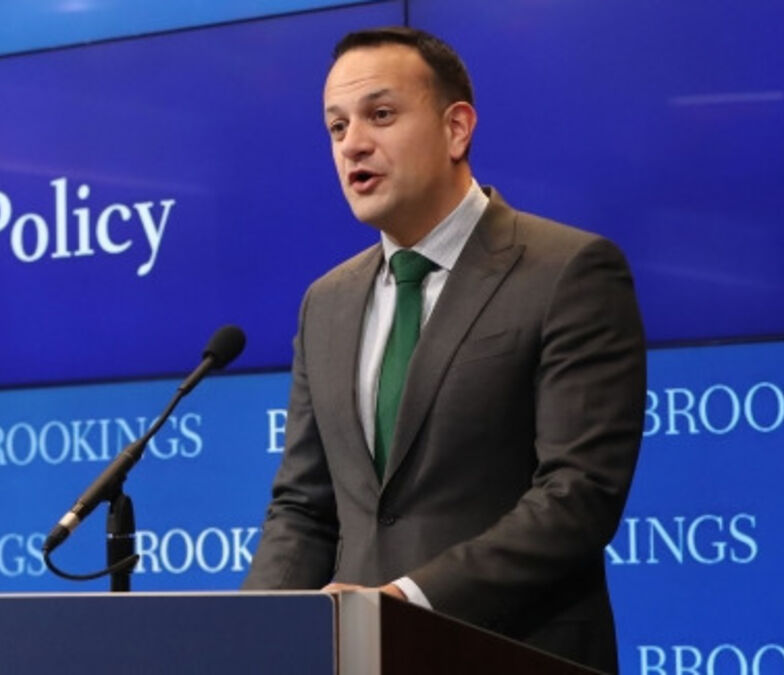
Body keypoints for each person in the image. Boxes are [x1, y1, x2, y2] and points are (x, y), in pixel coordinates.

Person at [243, 26, 646, 673]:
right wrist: (253, 633)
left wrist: (407, 602)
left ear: (456, 129)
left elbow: (578, 495)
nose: (353, 144)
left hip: (516, 652)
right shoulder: (326, 301)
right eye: (337, 126)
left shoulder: (567, 272)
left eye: (380, 115)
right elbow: (304, 508)